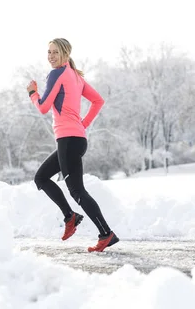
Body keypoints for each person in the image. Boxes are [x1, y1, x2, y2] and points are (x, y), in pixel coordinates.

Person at [26, 38, 119, 253]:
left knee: (77, 191)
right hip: (75, 140)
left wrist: (33, 93)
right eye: (48, 52)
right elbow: (98, 101)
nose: (51, 56)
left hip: (69, 141)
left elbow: (42, 107)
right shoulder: (75, 76)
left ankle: (106, 233)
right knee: (41, 178)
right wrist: (82, 126)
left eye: (55, 52)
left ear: (65, 54)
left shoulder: (58, 74)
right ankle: (71, 216)